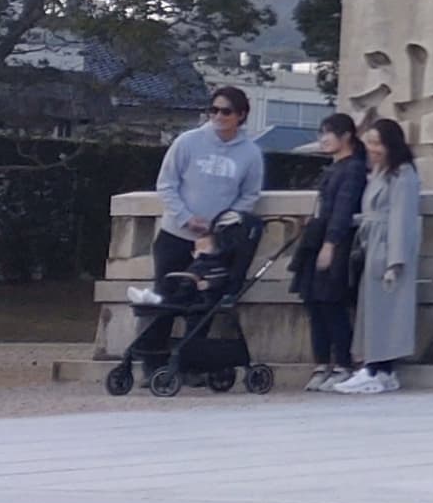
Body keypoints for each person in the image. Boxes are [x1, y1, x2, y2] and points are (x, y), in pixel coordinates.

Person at [152, 87, 270, 290]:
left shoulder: (251, 153)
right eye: (214, 110)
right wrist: (186, 218)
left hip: (216, 242)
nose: (218, 116)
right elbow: (166, 184)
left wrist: (219, 227)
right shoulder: (186, 141)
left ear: (241, 115)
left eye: (226, 111)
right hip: (175, 236)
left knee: (202, 307)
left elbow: (249, 195)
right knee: (163, 303)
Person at [343, 115, 423, 395]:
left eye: (377, 144)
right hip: (372, 242)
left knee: (386, 311)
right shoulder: (380, 172)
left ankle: (380, 368)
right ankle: (376, 367)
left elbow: (402, 218)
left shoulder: (403, 174)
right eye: (370, 144)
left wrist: (395, 261)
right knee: (372, 310)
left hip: (388, 247)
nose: (373, 149)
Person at [287, 112, 367, 391]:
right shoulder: (333, 168)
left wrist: (330, 244)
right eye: (321, 133)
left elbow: (344, 210)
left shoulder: (354, 168)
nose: (323, 139)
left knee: (332, 304)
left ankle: (343, 363)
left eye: (328, 133)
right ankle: (321, 363)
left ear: (346, 136)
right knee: (314, 304)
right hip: (315, 239)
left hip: (336, 243)